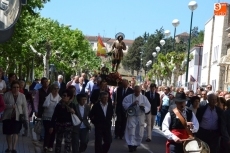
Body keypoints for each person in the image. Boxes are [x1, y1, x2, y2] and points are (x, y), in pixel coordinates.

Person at [2, 81, 29, 153]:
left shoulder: (22, 96)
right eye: (14, 87)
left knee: (15, 132)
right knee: (8, 133)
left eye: (17, 87)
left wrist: (26, 118)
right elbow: (2, 105)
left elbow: (25, 108)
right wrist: (10, 106)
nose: (16, 89)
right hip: (8, 116)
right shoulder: (7, 95)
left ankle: (14, 148)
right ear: (11, 88)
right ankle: (9, 148)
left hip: (18, 117)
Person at [122, 85, 151, 152]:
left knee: (139, 130)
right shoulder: (129, 97)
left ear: (140, 91)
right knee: (131, 129)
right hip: (132, 116)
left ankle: (136, 144)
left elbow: (148, 106)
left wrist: (143, 108)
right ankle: (130, 144)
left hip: (140, 116)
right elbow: (124, 103)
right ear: (134, 91)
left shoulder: (144, 98)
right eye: (136, 91)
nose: (137, 93)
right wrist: (132, 104)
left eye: (138, 92)